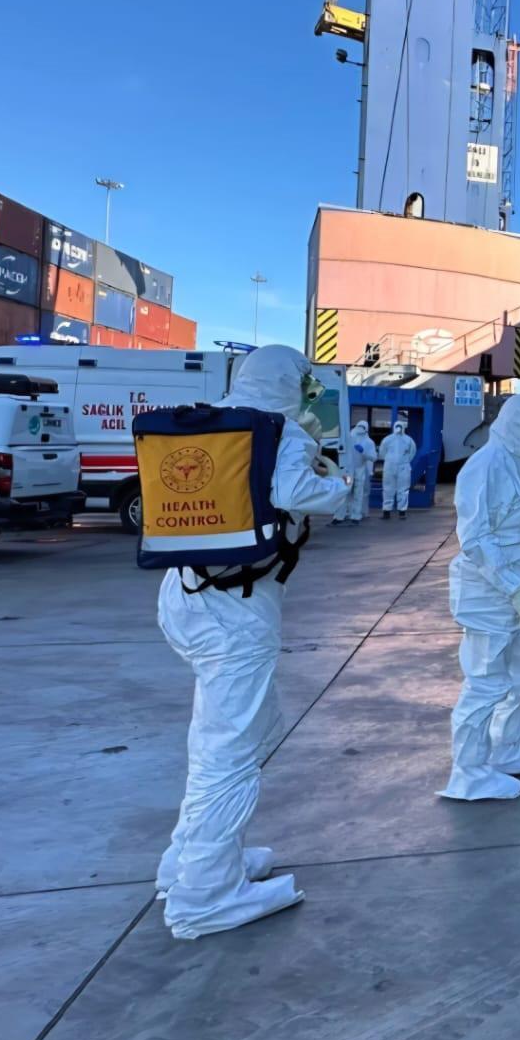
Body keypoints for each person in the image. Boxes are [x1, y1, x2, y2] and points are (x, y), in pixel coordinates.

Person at [154, 345, 348, 939]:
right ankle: (205, 897)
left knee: (216, 739)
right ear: (291, 384)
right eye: (307, 385)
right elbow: (298, 494)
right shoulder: (280, 429)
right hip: (234, 609)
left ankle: (189, 862)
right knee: (230, 753)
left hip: (184, 594)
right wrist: (337, 480)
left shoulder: (212, 420)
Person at [441, 394, 520, 800]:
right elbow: (475, 538)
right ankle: (468, 773)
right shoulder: (485, 467)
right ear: (514, 427)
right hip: (490, 596)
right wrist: (513, 589)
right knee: (486, 683)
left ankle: (506, 751)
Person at [337, 417, 376, 525]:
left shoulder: (369, 442)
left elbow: (373, 457)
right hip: (348, 471)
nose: (360, 429)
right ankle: (340, 515)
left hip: (360, 470)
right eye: (359, 426)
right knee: (345, 492)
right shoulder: (348, 438)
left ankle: (355, 516)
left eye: (362, 427)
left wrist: (364, 452)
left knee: (358, 493)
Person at [380, 413, 417, 519]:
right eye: (397, 426)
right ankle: (386, 511)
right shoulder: (388, 439)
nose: (399, 428)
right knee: (388, 489)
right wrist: (389, 460)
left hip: (403, 467)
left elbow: (412, 452)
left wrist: (405, 461)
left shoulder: (408, 440)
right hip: (389, 467)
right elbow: (382, 452)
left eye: (400, 426)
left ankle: (402, 511)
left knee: (403, 489)